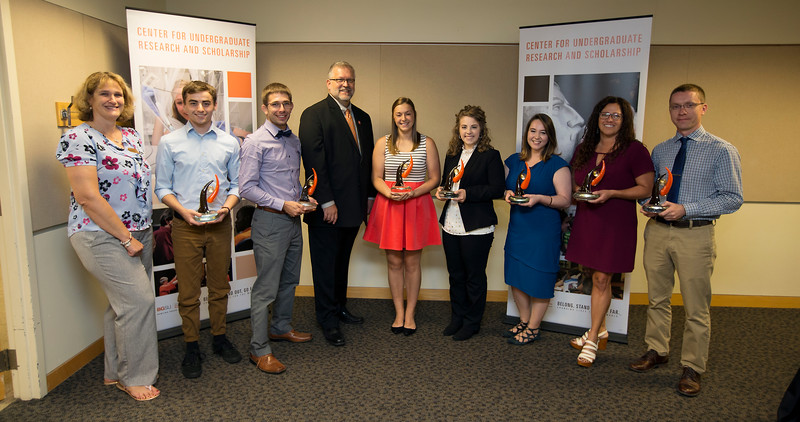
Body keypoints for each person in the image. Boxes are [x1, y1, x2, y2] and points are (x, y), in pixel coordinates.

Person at [629, 84, 743, 397]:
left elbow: (733, 198)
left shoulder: (722, 150)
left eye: (689, 105)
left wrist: (686, 208)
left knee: (696, 307)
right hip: (658, 233)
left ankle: (692, 366)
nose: (682, 111)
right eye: (675, 106)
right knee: (657, 298)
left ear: (702, 108)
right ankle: (657, 349)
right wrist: (647, 207)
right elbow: (652, 189)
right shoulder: (661, 150)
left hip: (695, 233)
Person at [55, 71, 160, 401]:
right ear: (89, 100)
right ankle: (135, 377)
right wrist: (126, 238)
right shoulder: (78, 137)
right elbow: (87, 197)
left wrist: (138, 233)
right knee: (137, 301)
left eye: (118, 94)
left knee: (121, 305)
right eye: (104, 94)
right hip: (100, 234)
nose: (113, 99)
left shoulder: (129, 136)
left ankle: (115, 372)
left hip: (139, 230)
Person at [155, 80, 242, 378]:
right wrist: (182, 211)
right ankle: (191, 345)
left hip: (219, 225)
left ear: (214, 105)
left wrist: (227, 208)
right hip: (185, 226)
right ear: (184, 106)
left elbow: (237, 184)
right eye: (193, 103)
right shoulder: (170, 142)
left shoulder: (229, 142)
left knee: (220, 286)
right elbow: (162, 187)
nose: (200, 109)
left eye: (206, 103)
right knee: (189, 291)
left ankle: (219, 338)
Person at [564, 96, 654, 367]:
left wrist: (613, 193)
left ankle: (592, 339)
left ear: (625, 121)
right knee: (593, 275)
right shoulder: (584, 148)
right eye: (605, 114)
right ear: (597, 117)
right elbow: (575, 182)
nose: (610, 119)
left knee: (603, 278)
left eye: (616, 115)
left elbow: (645, 188)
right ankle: (600, 329)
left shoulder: (634, 150)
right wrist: (577, 194)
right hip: (588, 220)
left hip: (615, 222)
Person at [239, 83, 315, 374]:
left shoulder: (293, 140)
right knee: (266, 289)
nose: (281, 109)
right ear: (264, 108)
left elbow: (290, 181)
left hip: (293, 220)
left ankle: (280, 327)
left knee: (289, 280)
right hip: (270, 221)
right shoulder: (255, 142)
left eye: (286, 103)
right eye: (275, 104)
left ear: (291, 106)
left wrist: (302, 198)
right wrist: (283, 204)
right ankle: (258, 350)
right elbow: (246, 188)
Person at [299, 61, 375, 347]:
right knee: (325, 265)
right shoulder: (313, 115)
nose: (346, 84)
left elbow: (365, 162)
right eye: (340, 80)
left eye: (350, 80)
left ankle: (339, 307)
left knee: (341, 262)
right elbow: (314, 162)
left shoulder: (363, 118)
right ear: (328, 83)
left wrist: (368, 199)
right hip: (326, 208)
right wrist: (327, 201)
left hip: (353, 208)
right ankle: (327, 319)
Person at [364, 97, 441, 336]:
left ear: (414, 115)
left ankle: (411, 313)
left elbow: (435, 178)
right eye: (399, 114)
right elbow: (376, 177)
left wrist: (413, 192)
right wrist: (389, 192)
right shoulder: (383, 143)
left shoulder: (427, 143)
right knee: (394, 261)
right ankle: (399, 312)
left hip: (417, 204)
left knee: (412, 262)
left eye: (407, 114)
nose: (403, 119)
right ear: (393, 117)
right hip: (390, 205)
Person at [433, 105, 505, 341]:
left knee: (474, 276)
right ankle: (458, 318)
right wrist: (442, 192)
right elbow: (446, 184)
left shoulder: (490, 155)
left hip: (477, 226)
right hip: (450, 224)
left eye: (473, 127)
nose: (469, 131)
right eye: (464, 127)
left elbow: (497, 189)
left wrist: (468, 193)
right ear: (458, 129)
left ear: (482, 129)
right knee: (455, 275)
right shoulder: (452, 154)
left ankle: (472, 322)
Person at [502, 114, 572, 345]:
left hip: (543, 231)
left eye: (543, 132)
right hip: (518, 228)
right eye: (533, 131)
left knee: (540, 278)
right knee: (517, 276)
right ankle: (523, 321)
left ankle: (533, 327)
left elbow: (565, 200)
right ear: (527, 134)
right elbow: (503, 188)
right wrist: (506, 193)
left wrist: (541, 198)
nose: (537, 136)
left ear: (549, 136)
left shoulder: (558, 165)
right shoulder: (513, 161)